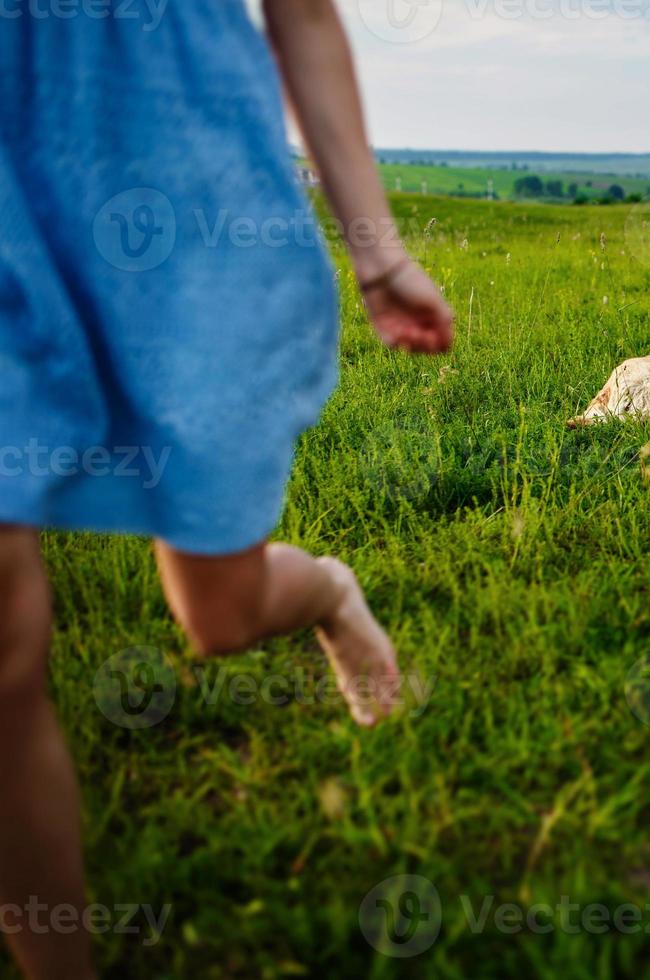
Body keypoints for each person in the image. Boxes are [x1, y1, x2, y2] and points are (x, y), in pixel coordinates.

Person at [0, 2, 454, 975]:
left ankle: (328, 589)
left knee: (219, 612)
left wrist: (377, 251)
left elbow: (303, 13)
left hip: (187, 193)